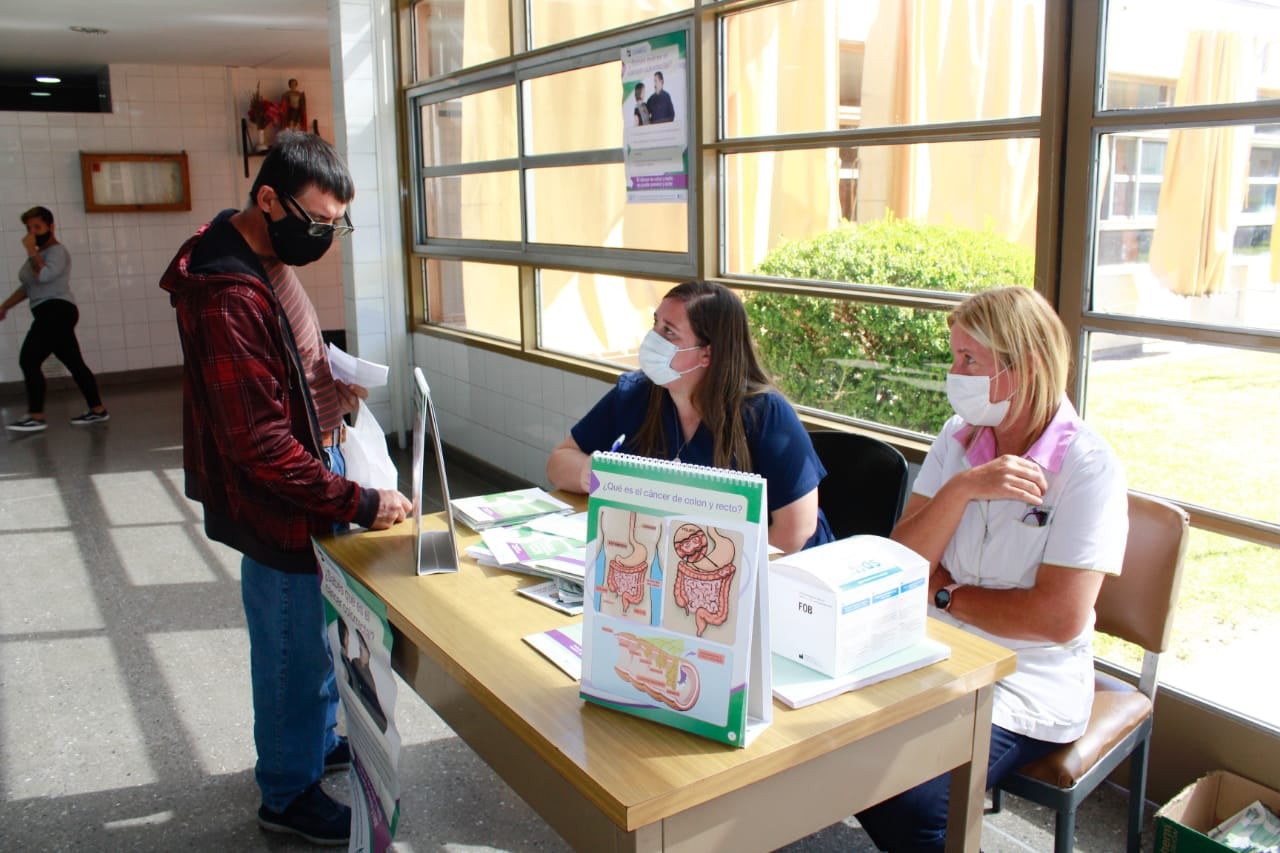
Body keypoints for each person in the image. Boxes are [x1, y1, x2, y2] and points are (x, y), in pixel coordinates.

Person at [159, 130, 412, 846]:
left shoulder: (259, 250)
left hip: (309, 474)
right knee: (288, 648)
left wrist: (329, 379)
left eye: (337, 224)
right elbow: (259, 443)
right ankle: (288, 791)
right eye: (315, 223)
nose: (324, 237)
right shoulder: (225, 293)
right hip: (278, 502)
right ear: (267, 199)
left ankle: (312, 740)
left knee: (317, 632)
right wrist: (361, 501)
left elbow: (286, 363)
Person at [854, 286, 1128, 852]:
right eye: (955, 357)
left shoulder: (1088, 467)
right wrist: (962, 489)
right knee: (840, 748)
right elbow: (901, 564)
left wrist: (947, 593)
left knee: (911, 801)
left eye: (969, 360)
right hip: (932, 649)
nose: (956, 373)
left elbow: (1056, 618)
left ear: (1022, 368)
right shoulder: (957, 440)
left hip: (1026, 677)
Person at [547, 281, 833, 554]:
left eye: (669, 332)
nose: (652, 339)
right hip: (675, 561)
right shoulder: (636, 394)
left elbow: (796, 530)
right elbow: (559, 461)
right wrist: (589, 473)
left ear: (707, 354)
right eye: (655, 324)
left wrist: (719, 575)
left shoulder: (765, 413)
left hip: (782, 576)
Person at [1, 206, 109, 432]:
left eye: (37, 227)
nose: (32, 233)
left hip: (56, 312)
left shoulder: (57, 252)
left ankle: (35, 416)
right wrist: (5, 306)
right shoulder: (39, 255)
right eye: (29, 228)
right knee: (74, 363)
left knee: (29, 359)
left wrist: (31, 251)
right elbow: (28, 287)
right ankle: (97, 410)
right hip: (50, 312)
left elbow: (45, 276)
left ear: (51, 227)